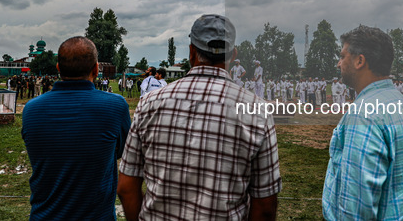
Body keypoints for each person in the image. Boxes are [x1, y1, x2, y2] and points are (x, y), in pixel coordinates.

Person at [117, 14, 281, 220]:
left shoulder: (150, 102)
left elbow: (126, 187)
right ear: (232, 54)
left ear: (191, 51)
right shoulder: (256, 110)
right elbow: (265, 206)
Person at [323, 25, 403, 220]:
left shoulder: (363, 114)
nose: (339, 64)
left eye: (343, 56)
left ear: (359, 60)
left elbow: (356, 208)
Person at [22, 36, 131, 220]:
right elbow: (122, 150)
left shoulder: (31, 109)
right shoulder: (115, 106)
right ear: (96, 69)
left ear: (58, 68)